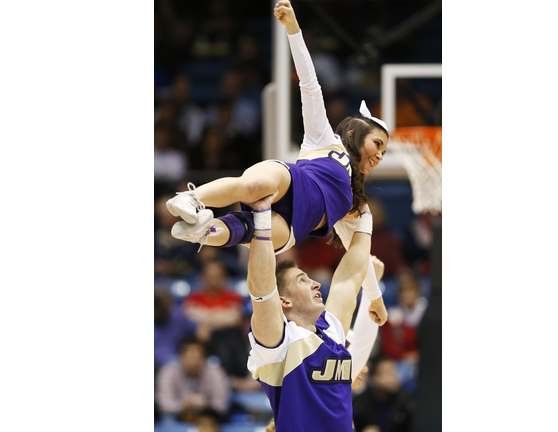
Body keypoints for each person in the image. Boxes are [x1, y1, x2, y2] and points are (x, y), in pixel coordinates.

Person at [167, 0, 389, 324]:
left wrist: (376, 300)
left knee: (254, 233)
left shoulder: (358, 207)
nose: (380, 155)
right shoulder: (324, 139)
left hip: (295, 225)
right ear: (354, 132)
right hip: (291, 180)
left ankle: (201, 231)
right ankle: (190, 199)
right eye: (377, 144)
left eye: (384, 152)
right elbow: (310, 86)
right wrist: (293, 30)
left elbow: (359, 261)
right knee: (254, 186)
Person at [244, 184, 380, 432]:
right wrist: (262, 216)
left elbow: (350, 276)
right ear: (284, 301)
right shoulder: (278, 343)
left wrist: (364, 217)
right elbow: (261, 288)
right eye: (302, 280)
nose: (316, 283)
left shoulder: (331, 330)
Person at [155, 337, 231, 423]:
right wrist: (183, 405)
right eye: (189, 356)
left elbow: (221, 405)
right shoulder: (168, 372)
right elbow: (163, 404)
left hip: (208, 417)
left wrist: (205, 405)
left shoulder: (216, 373)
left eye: (197, 357)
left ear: (204, 357)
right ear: (181, 356)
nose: (193, 361)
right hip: (175, 418)